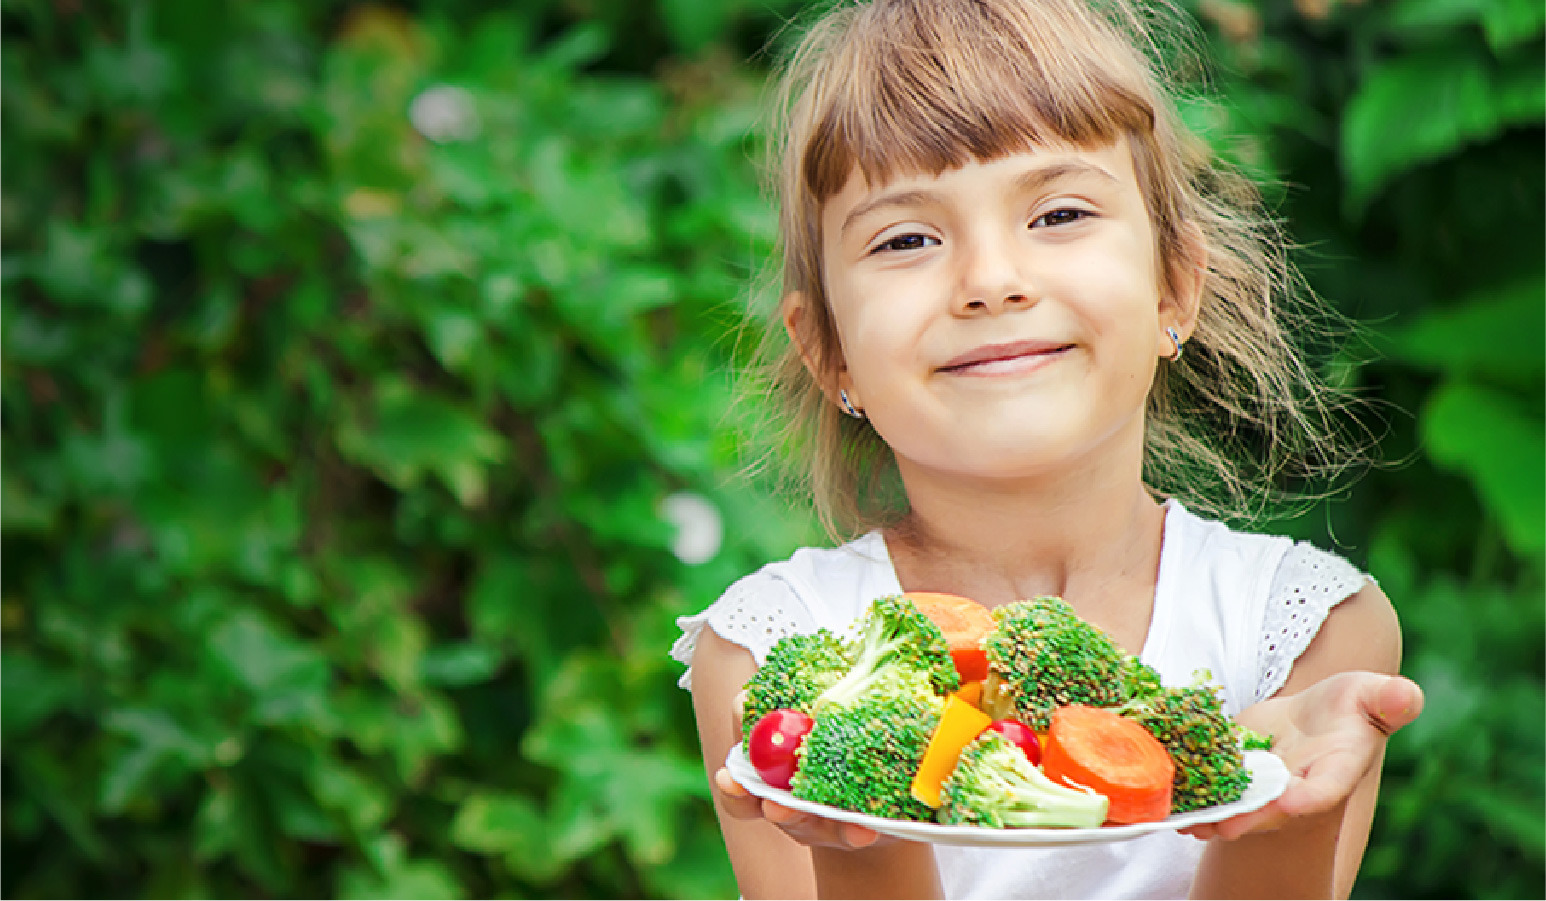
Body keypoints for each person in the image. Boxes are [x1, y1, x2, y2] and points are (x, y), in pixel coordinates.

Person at [669, 0, 1424, 896]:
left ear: (1173, 289)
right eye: (907, 238)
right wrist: (857, 840)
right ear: (829, 350)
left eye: (1059, 213)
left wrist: (1282, 813)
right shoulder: (771, 652)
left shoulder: (1306, 634)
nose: (991, 281)